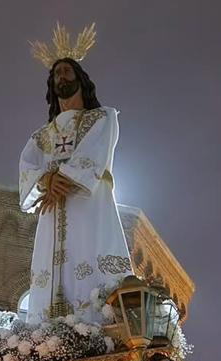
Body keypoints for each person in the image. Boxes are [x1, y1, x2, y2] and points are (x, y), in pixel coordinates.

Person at [20, 24, 133, 324]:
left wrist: (61, 179)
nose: (62, 77)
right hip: (52, 210)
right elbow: (27, 165)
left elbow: (94, 153)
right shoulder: (41, 136)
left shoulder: (103, 117)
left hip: (89, 202)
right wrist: (46, 180)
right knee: (50, 270)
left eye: (68, 71)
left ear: (81, 80)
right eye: (57, 73)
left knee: (91, 263)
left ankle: (100, 323)